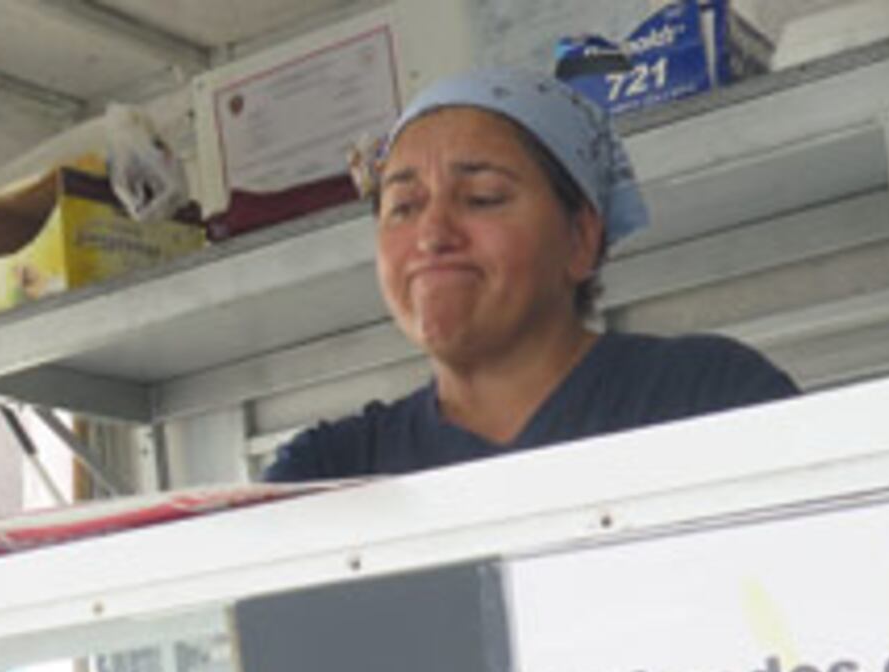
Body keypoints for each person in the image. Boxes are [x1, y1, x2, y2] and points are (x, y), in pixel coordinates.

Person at [263, 68, 797, 481]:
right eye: (403, 207)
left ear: (580, 239)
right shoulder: (332, 471)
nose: (431, 236)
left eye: (482, 198)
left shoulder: (708, 399)